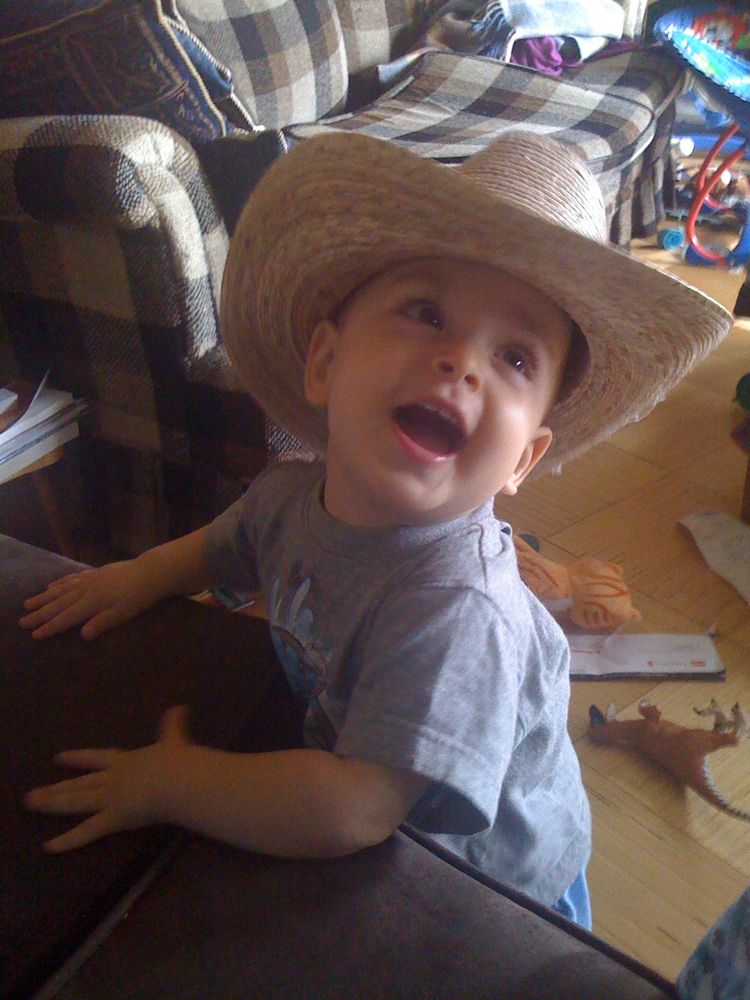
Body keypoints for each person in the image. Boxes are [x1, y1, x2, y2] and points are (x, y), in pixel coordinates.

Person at [20, 131, 732, 929]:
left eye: (517, 359)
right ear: (324, 362)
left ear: (522, 462)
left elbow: (353, 809)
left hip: (491, 888)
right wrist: (133, 577)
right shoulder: (288, 496)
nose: (462, 359)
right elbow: (221, 549)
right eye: (427, 313)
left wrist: (173, 783)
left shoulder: (459, 613)